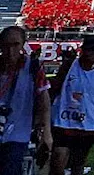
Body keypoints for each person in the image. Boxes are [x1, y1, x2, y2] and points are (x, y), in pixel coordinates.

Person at [51, 35, 94, 175]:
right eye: (86, 50)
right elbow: (55, 87)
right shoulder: (70, 65)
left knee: (78, 161)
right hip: (64, 120)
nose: (89, 53)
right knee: (58, 157)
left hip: (89, 124)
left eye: (93, 50)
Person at [0, 26, 52, 175]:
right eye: (6, 45)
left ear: (23, 44)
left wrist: (46, 132)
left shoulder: (33, 67)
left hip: (17, 133)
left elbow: (44, 100)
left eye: (15, 44)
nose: (10, 51)